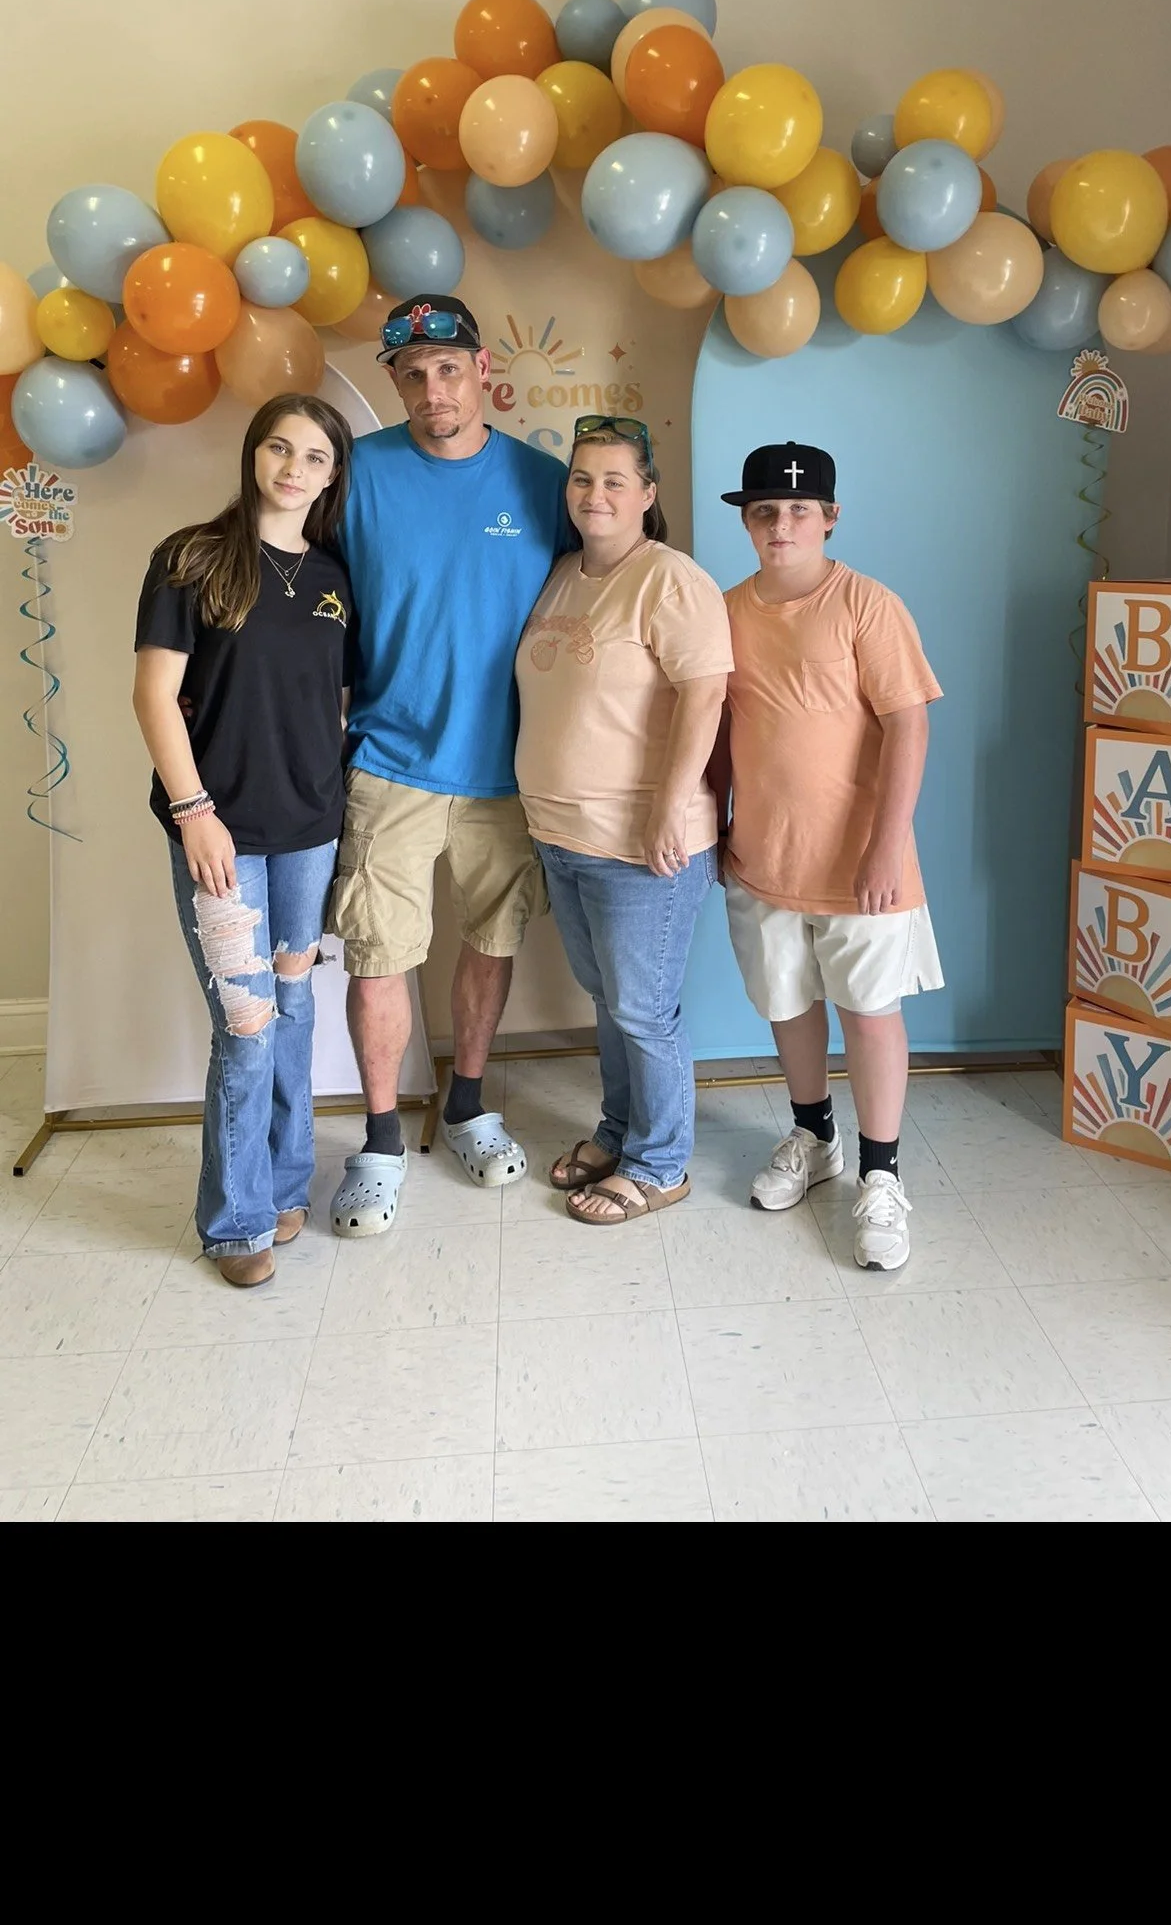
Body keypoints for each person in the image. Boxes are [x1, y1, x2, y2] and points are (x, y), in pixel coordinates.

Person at [326, 293, 577, 1236]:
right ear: (394, 383)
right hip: (387, 758)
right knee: (378, 953)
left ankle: (466, 1101)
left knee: (493, 939)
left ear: (481, 371)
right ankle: (383, 1139)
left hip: (507, 769)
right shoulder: (358, 475)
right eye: (412, 374)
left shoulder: (545, 482)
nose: (434, 390)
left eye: (448, 369)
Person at [132, 397, 356, 1288]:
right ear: (253, 455)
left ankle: (288, 1181)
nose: (293, 468)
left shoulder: (338, 574)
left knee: (296, 1009)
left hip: (309, 831)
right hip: (217, 834)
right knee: (248, 1021)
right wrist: (195, 811)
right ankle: (235, 1224)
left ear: (332, 474)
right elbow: (154, 698)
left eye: (313, 456)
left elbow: (336, 702)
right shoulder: (191, 558)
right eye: (278, 447)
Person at [712, 440, 944, 1272]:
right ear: (746, 519)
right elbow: (721, 730)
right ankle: (815, 1137)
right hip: (763, 855)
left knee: (870, 1011)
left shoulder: (867, 605)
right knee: (788, 1002)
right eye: (765, 510)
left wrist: (887, 847)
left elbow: (909, 724)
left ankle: (881, 1176)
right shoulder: (729, 609)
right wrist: (714, 827)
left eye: (799, 510)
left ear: (830, 517)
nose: (781, 524)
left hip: (860, 865)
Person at [514, 415, 733, 1224]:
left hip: (644, 843)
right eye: (581, 478)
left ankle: (662, 1163)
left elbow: (706, 694)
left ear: (647, 493)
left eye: (614, 480)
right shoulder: (565, 572)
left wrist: (671, 809)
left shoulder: (670, 580)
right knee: (610, 1001)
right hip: (562, 835)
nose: (594, 493)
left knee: (643, 1009)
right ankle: (617, 1132)